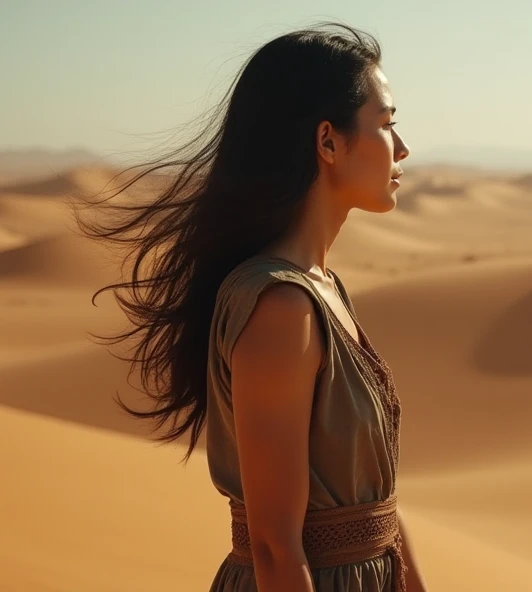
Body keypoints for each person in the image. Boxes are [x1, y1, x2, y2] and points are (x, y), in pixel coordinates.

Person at [72, 21, 425, 592]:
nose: (403, 148)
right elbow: (274, 547)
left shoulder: (322, 288)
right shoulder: (281, 307)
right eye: (386, 124)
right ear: (327, 142)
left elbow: (376, 508)